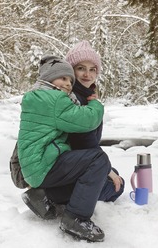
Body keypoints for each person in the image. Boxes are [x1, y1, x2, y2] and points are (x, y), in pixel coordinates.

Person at [18, 55, 112, 242]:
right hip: (44, 164)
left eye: (70, 80)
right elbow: (86, 121)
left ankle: (44, 196)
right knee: (98, 160)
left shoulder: (37, 97)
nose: (68, 84)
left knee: (96, 175)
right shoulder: (54, 100)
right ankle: (76, 218)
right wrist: (95, 104)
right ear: (47, 79)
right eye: (63, 78)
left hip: (38, 165)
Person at [65, 40, 124, 202]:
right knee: (116, 185)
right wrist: (105, 169)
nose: (87, 75)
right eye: (81, 68)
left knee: (113, 175)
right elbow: (81, 141)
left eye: (92, 69)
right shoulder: (74, 99)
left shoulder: (84, 96)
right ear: (71, 71)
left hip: (76, 163)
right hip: (70, 164)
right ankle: (59, 197)